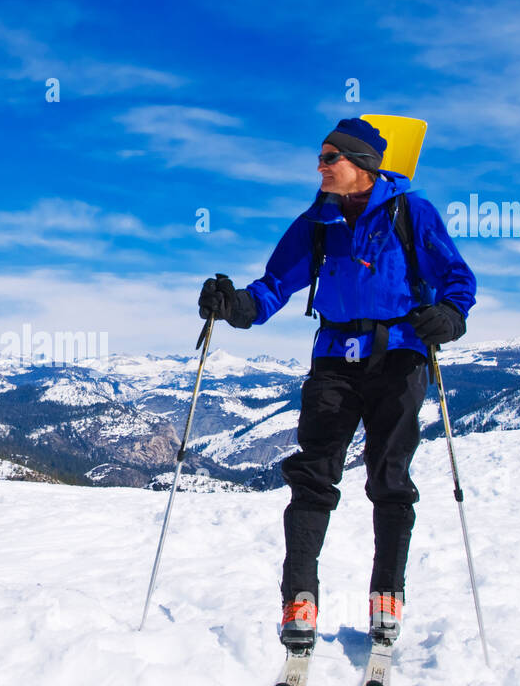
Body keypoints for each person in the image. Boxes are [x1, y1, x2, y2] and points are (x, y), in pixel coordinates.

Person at [198, 117, 476, 652]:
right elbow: (274, 285)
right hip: (333, 360)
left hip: (399, 357)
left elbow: (457, 278)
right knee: (313, 475)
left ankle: (387, 596)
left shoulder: (410, 211)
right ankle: (299, 598)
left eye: (330, 158)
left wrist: (450, 315)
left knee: (389, 479)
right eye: (320, 157)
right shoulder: (318, 222)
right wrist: (233, 306)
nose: (320, 167)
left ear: (363, 165)